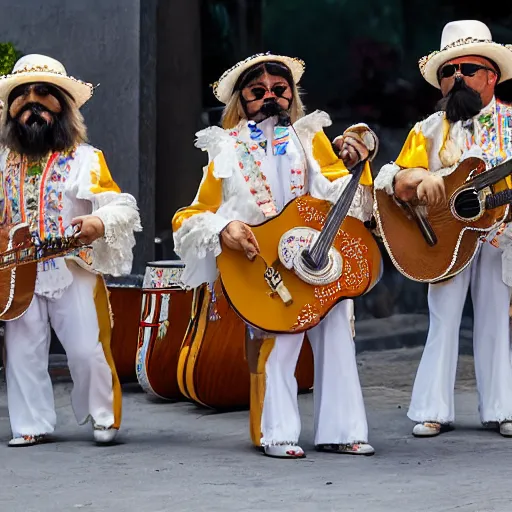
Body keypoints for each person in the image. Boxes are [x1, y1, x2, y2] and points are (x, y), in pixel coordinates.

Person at [172, 52, 380, 458]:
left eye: (279, 90)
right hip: (264, 266)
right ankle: (276, 434)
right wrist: (224, 228)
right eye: (258, 91)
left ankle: (343, 430)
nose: (271, 97)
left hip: (318, 258)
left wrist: (359, 160)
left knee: (337, 332)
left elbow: (347, 198)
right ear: (242, 100)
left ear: (292, 95)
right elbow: (190, 216)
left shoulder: (311, 137)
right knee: (278, 346)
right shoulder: (225, 148)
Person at [374, 20, 512, 437]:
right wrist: (419, 179)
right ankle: (432, 408)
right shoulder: (428, 130)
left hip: (499, 236)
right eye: (448, 72)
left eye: (467, 70)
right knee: (443, 320)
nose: (457, 79)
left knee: (495, 322)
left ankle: (503, 408)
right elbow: (394, 180)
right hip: (446, 239)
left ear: (491, 76)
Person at [0, 54, 142, 446]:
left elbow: (120, 205)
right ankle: (30, 424)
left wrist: (97, 223)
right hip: (18, 272)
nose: (32, 107)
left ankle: (103, 417)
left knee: (86, 349)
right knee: (22, 352)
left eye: (43, 98)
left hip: (73, 267)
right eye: (22, 101)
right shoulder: (1, 163)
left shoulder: (86, 159)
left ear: (62, 108)